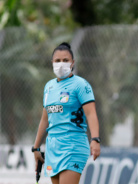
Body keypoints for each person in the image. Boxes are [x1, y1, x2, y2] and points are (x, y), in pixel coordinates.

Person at [32, 42, 101, 184]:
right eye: (57, 61)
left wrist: (95, 139)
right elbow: (45, 119)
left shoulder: (81, 85)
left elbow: (91, 114)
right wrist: (36, 147)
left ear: (72, 63)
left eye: (65, 60)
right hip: (53, 147)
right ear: (52, 62)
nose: (61, 64)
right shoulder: (49, 87)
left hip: (73, 146)